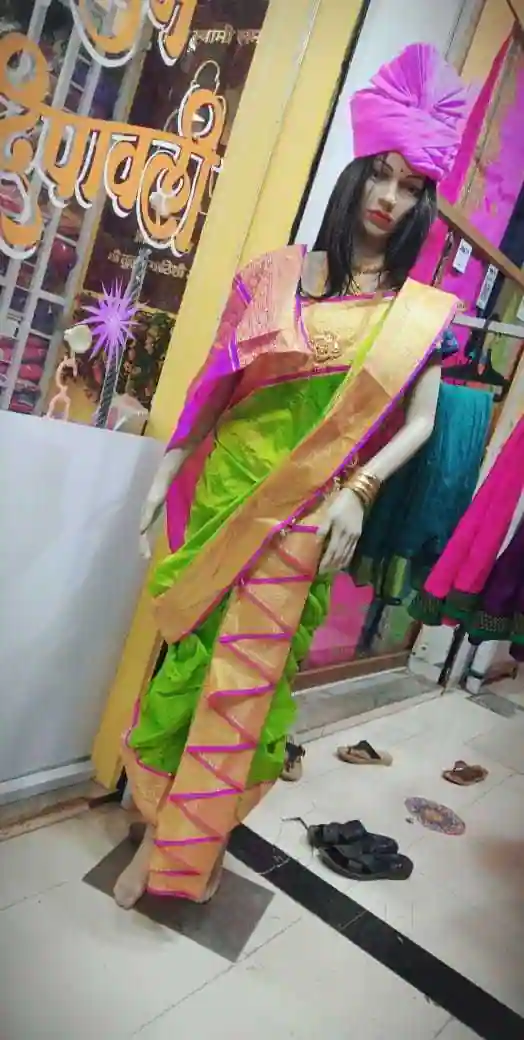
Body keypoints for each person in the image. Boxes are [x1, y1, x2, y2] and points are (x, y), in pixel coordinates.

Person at [114, 43, 469, 909]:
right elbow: (213, 386)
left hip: (309, 515)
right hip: (225, 493)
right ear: (356, 175)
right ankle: (155, 822)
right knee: (188, 663)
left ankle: (187, 850)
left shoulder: (418, 316)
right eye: (380, 176)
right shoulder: (273, 275)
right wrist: (166, 472)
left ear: (423, 203)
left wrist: (359, 490)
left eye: (411, 187)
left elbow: (420, 423)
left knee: (247, 684)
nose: (389, 199)